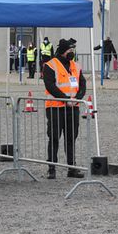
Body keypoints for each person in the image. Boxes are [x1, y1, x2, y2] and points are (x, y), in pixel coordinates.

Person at [41, 38, 86, 179]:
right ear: (62, 51)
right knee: (54, 137)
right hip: (55, 107)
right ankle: (52, 168)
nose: (72, 52)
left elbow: (82, 84)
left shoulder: (76, 66)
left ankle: (72, 168)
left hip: (73, 107)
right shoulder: (50, 65)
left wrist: (78, 98)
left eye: (73, 50)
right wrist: (65, 99)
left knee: (71, 137)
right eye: (69, 50)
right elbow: (50, 86)